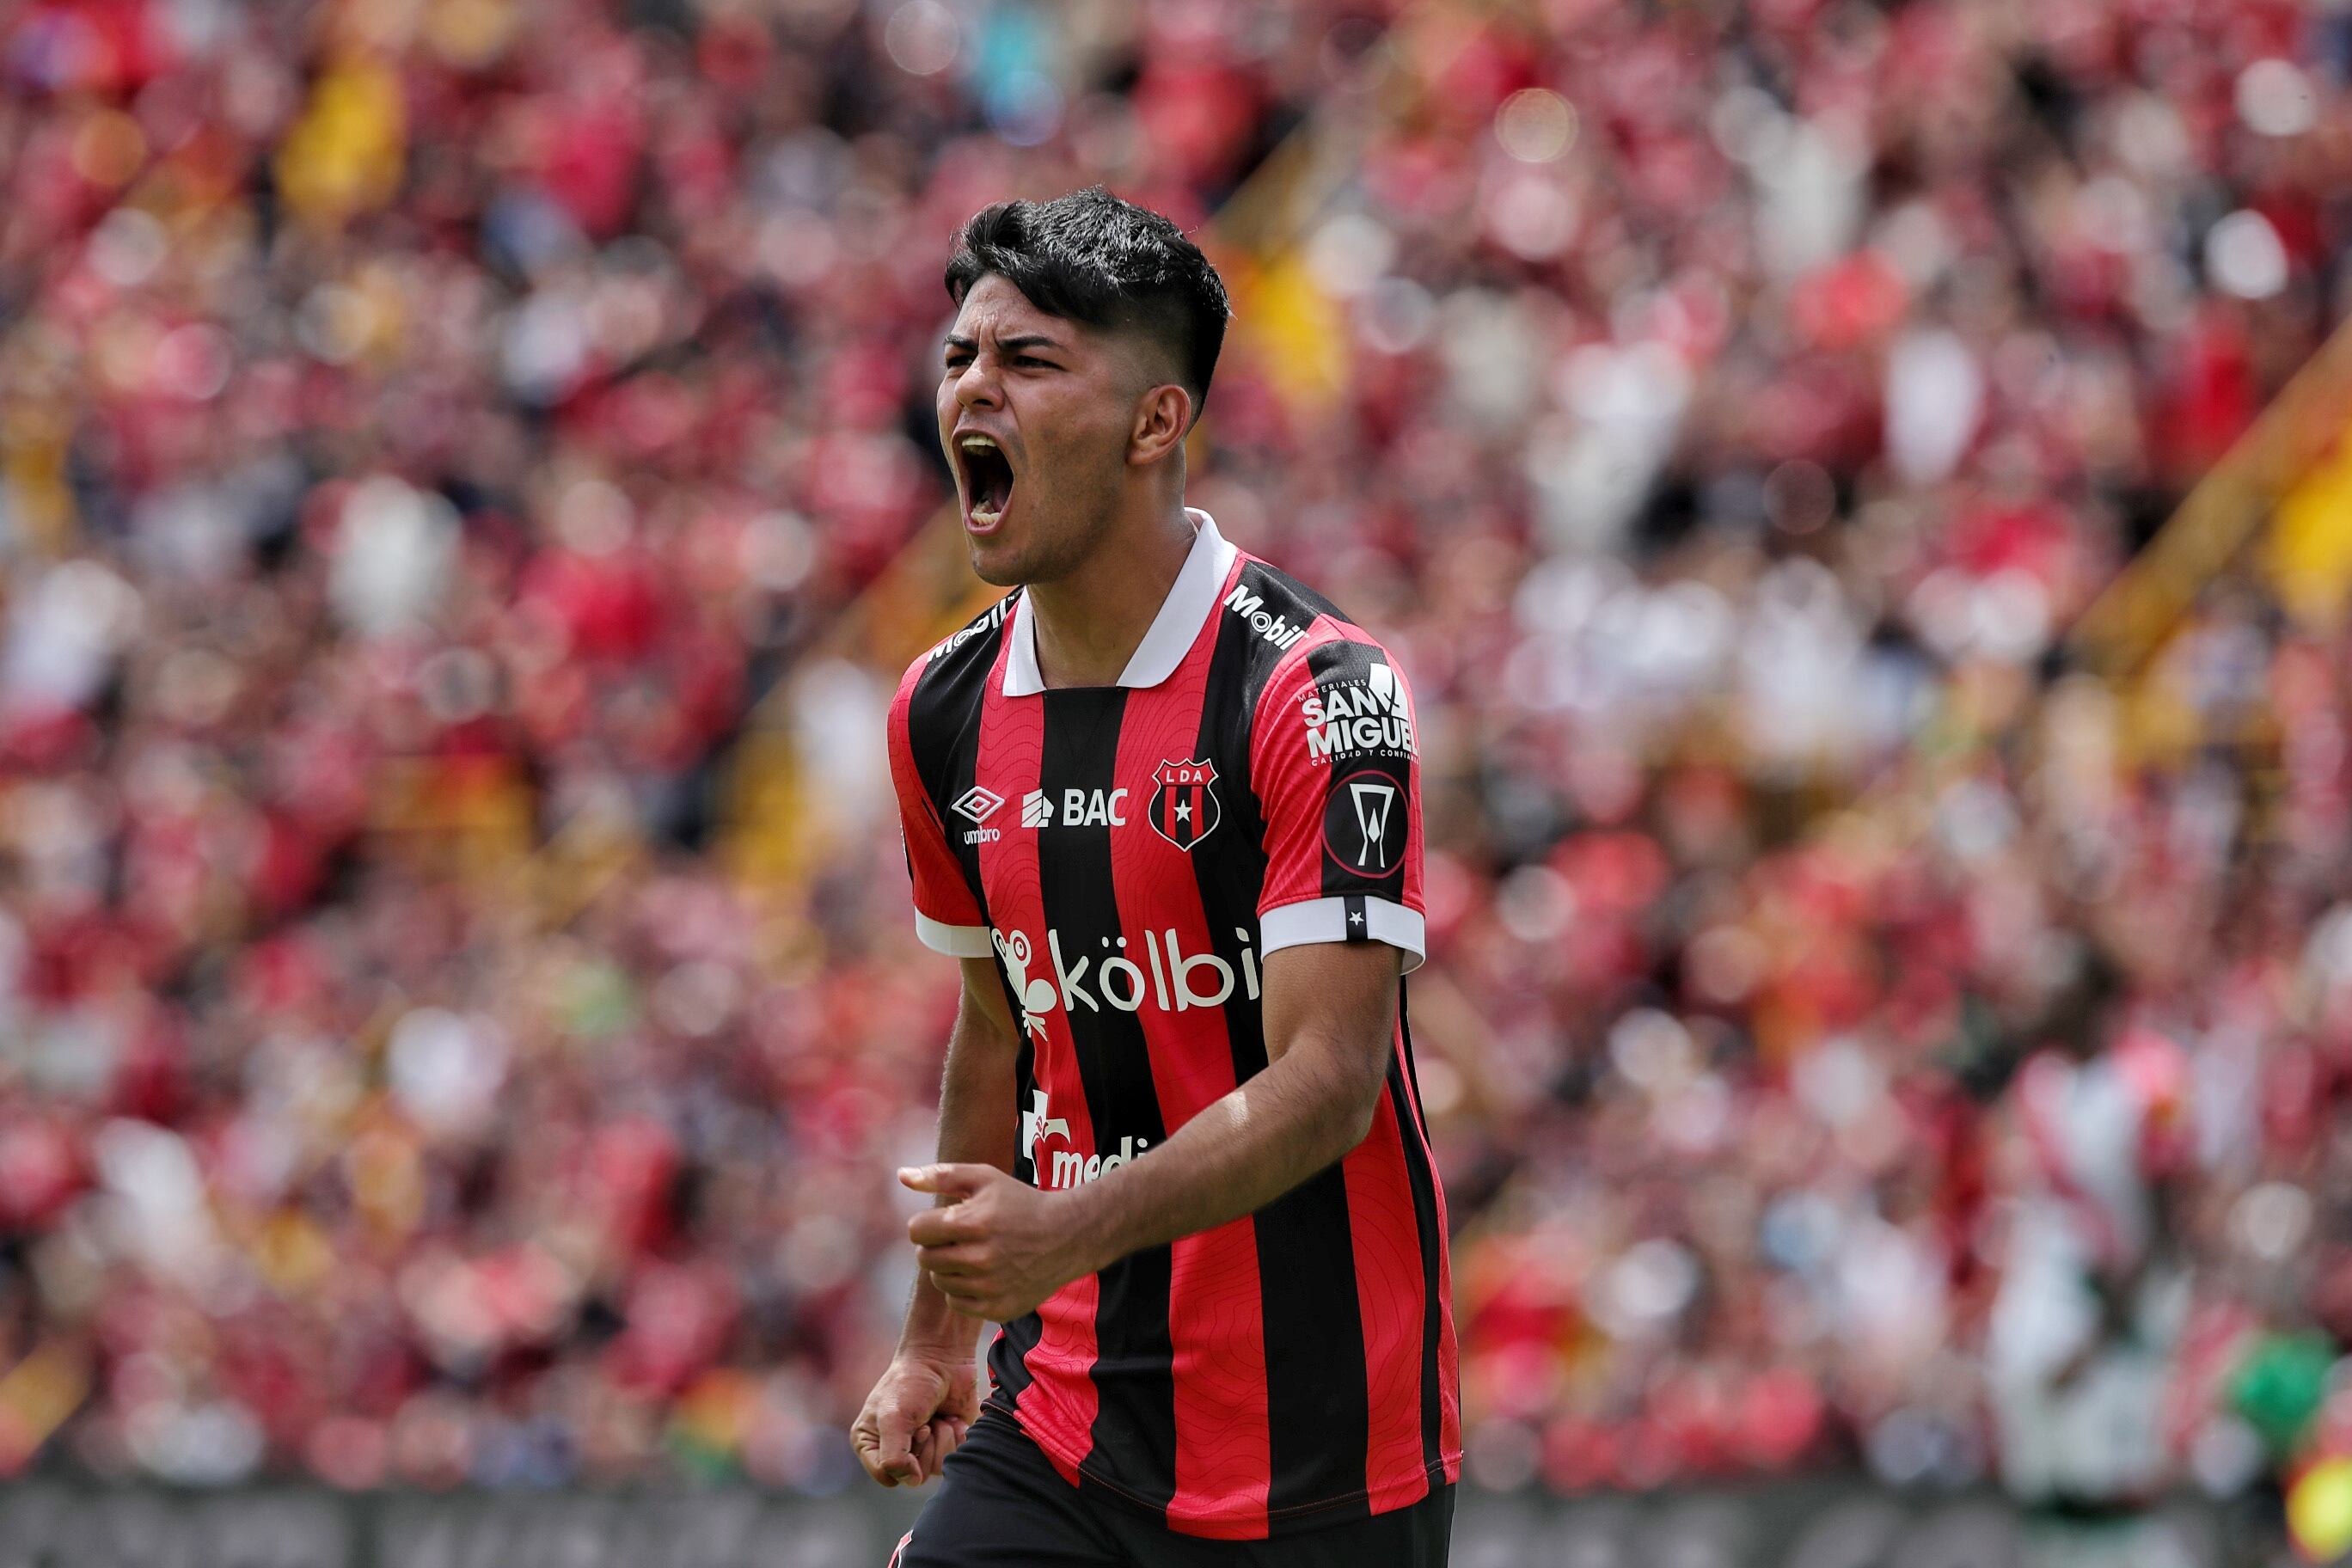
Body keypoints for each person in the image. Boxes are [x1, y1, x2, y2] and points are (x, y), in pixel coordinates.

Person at [853, 188, 1458, 1566]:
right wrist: (940, 1340)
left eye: (1029, 361)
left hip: (1321, 1459)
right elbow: (1000, 1025)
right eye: (960, 357)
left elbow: (1329, 1083)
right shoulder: (939, 708)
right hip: (1061, 1423)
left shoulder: (1319, 692)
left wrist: (1062, 1230)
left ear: (1153, 423)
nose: (972, 390)